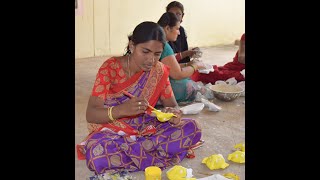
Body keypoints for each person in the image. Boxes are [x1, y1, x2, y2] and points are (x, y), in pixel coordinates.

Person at [76, 22, 202, 175]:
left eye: (157, 54)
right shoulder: (110, 68)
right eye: (145, 51)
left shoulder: (159, 70)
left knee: (193, 128)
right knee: (97, 155)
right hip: (113, 130)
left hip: (146, 126)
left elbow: (173, 106)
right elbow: (91, 114)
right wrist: (121, 110)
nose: (151, 60)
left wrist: (173, 115)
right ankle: (151, 151)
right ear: (131, 46)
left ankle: (139, 150)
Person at [157, 12, 205, 104]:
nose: (179, 32)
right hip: (156, 87)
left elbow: (168, 67)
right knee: (190, 85)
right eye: (177, 29)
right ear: (167, 28)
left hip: (150, 82)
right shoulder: (164, 45)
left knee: (190, 77)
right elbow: (177, 74)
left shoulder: (158, 40)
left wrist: (187, 64)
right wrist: (196, 66)